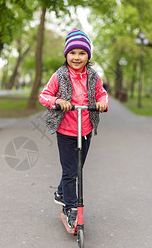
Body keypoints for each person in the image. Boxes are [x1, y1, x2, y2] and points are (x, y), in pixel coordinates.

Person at [39, 29, 109, 228]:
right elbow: (43, 96)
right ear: (66, 55)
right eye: (72, 53)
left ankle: (61, 191)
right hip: (66, 130)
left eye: (82, 53)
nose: (77, 57)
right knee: (70, 171)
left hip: (85, 129)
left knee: (77, 169)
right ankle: (71, 208)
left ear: (88, 56)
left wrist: (103, 102)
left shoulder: (93, 76)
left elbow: (102, 94)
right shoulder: (59, 75)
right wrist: (57, 100)